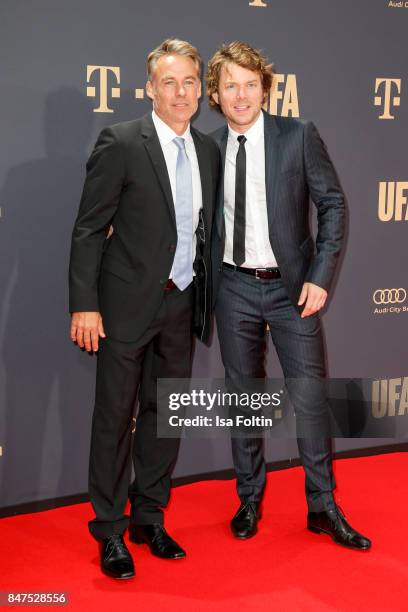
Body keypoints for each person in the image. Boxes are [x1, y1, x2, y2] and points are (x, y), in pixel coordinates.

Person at [206, 41, 371, 550]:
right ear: (216, 93)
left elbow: (334, 205)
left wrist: (320, 277)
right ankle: (250, 498)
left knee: (310, 398)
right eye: (230, 85)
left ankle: (322, 505)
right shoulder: (207, 147)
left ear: (265, 88)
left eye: (250, 84)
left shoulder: (298, 136)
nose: (241, 95)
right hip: (233, 286)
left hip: (292, 289)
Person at [69, 38, 219, 579]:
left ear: (200, 90)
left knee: (166, 414)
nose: (180, 93)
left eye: (189, 83)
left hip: (181, 303)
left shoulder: (207, 149)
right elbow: (88, 229)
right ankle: (110, 530)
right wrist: (85, 305)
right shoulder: (122, 141)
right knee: (114, 418)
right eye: (169, 82)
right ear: (150, 87)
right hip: (123, 305)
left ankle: (148, 517)